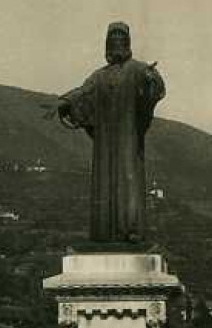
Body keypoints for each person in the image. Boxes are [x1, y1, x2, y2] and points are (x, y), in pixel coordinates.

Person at [53, 22, 166, 244]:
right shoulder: (99, 76)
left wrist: (152, 81)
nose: (116, 40)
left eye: (120, 36)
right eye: (112, 37)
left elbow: (154, 88)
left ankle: (131, 230)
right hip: (105, 143)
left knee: (128, 180)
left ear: (127, 42)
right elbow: (83, 93)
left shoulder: (138, 69)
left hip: (128, 140)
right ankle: (103, 234)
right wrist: (64, 102)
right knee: (104, 183)